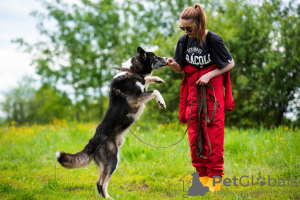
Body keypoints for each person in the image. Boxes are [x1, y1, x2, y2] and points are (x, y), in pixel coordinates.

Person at [167, 3, 234, 192]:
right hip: (192, 97)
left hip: (212, 97)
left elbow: (230, 63)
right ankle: (202, 182)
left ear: (199, 23)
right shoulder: (184, 41)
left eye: (189, 28)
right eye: (183, 28)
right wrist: (173, 64)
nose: (185, 31)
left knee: (213, 138)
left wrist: (209, 75)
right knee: (194, 138)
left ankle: (216, 183)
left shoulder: (214, 40)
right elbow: (181, 68)